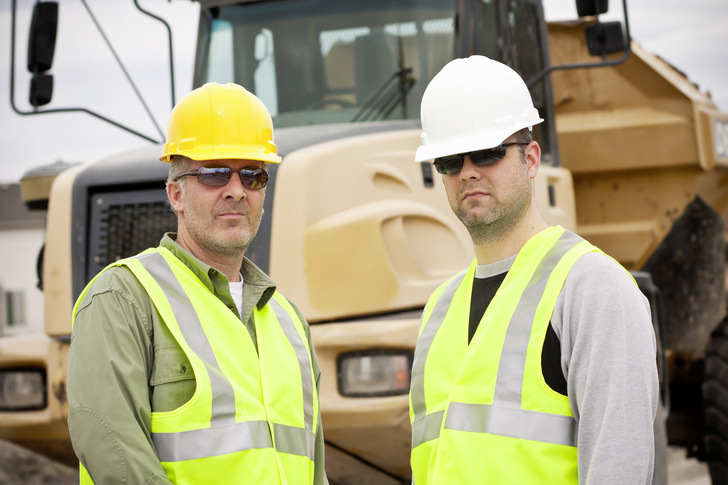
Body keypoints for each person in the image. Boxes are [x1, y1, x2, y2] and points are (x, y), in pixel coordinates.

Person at [408, 56, 659, 484]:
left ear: (530, 158)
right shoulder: (439, 311)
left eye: (487, 152)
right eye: (450, 160)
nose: (468, 172)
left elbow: (620, 468)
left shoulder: (592, 290)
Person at [67, 82, 328, 485]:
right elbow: (115, 459)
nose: (236, 190)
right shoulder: (123, 299)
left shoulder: (289, 322)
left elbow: (313, 469)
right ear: (176, 194)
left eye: (254, 176)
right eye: (214, 174)